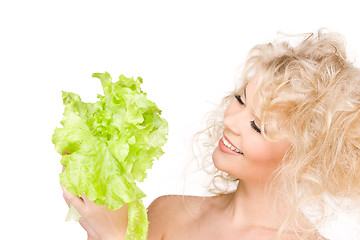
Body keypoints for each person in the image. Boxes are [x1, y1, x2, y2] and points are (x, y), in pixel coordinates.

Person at [61, 29, 360, 240]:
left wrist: (114, 235)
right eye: (241, 100)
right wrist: (99, 221)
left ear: (305, 157)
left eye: (259, 126)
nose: (231, 120)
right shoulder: (168, 212)